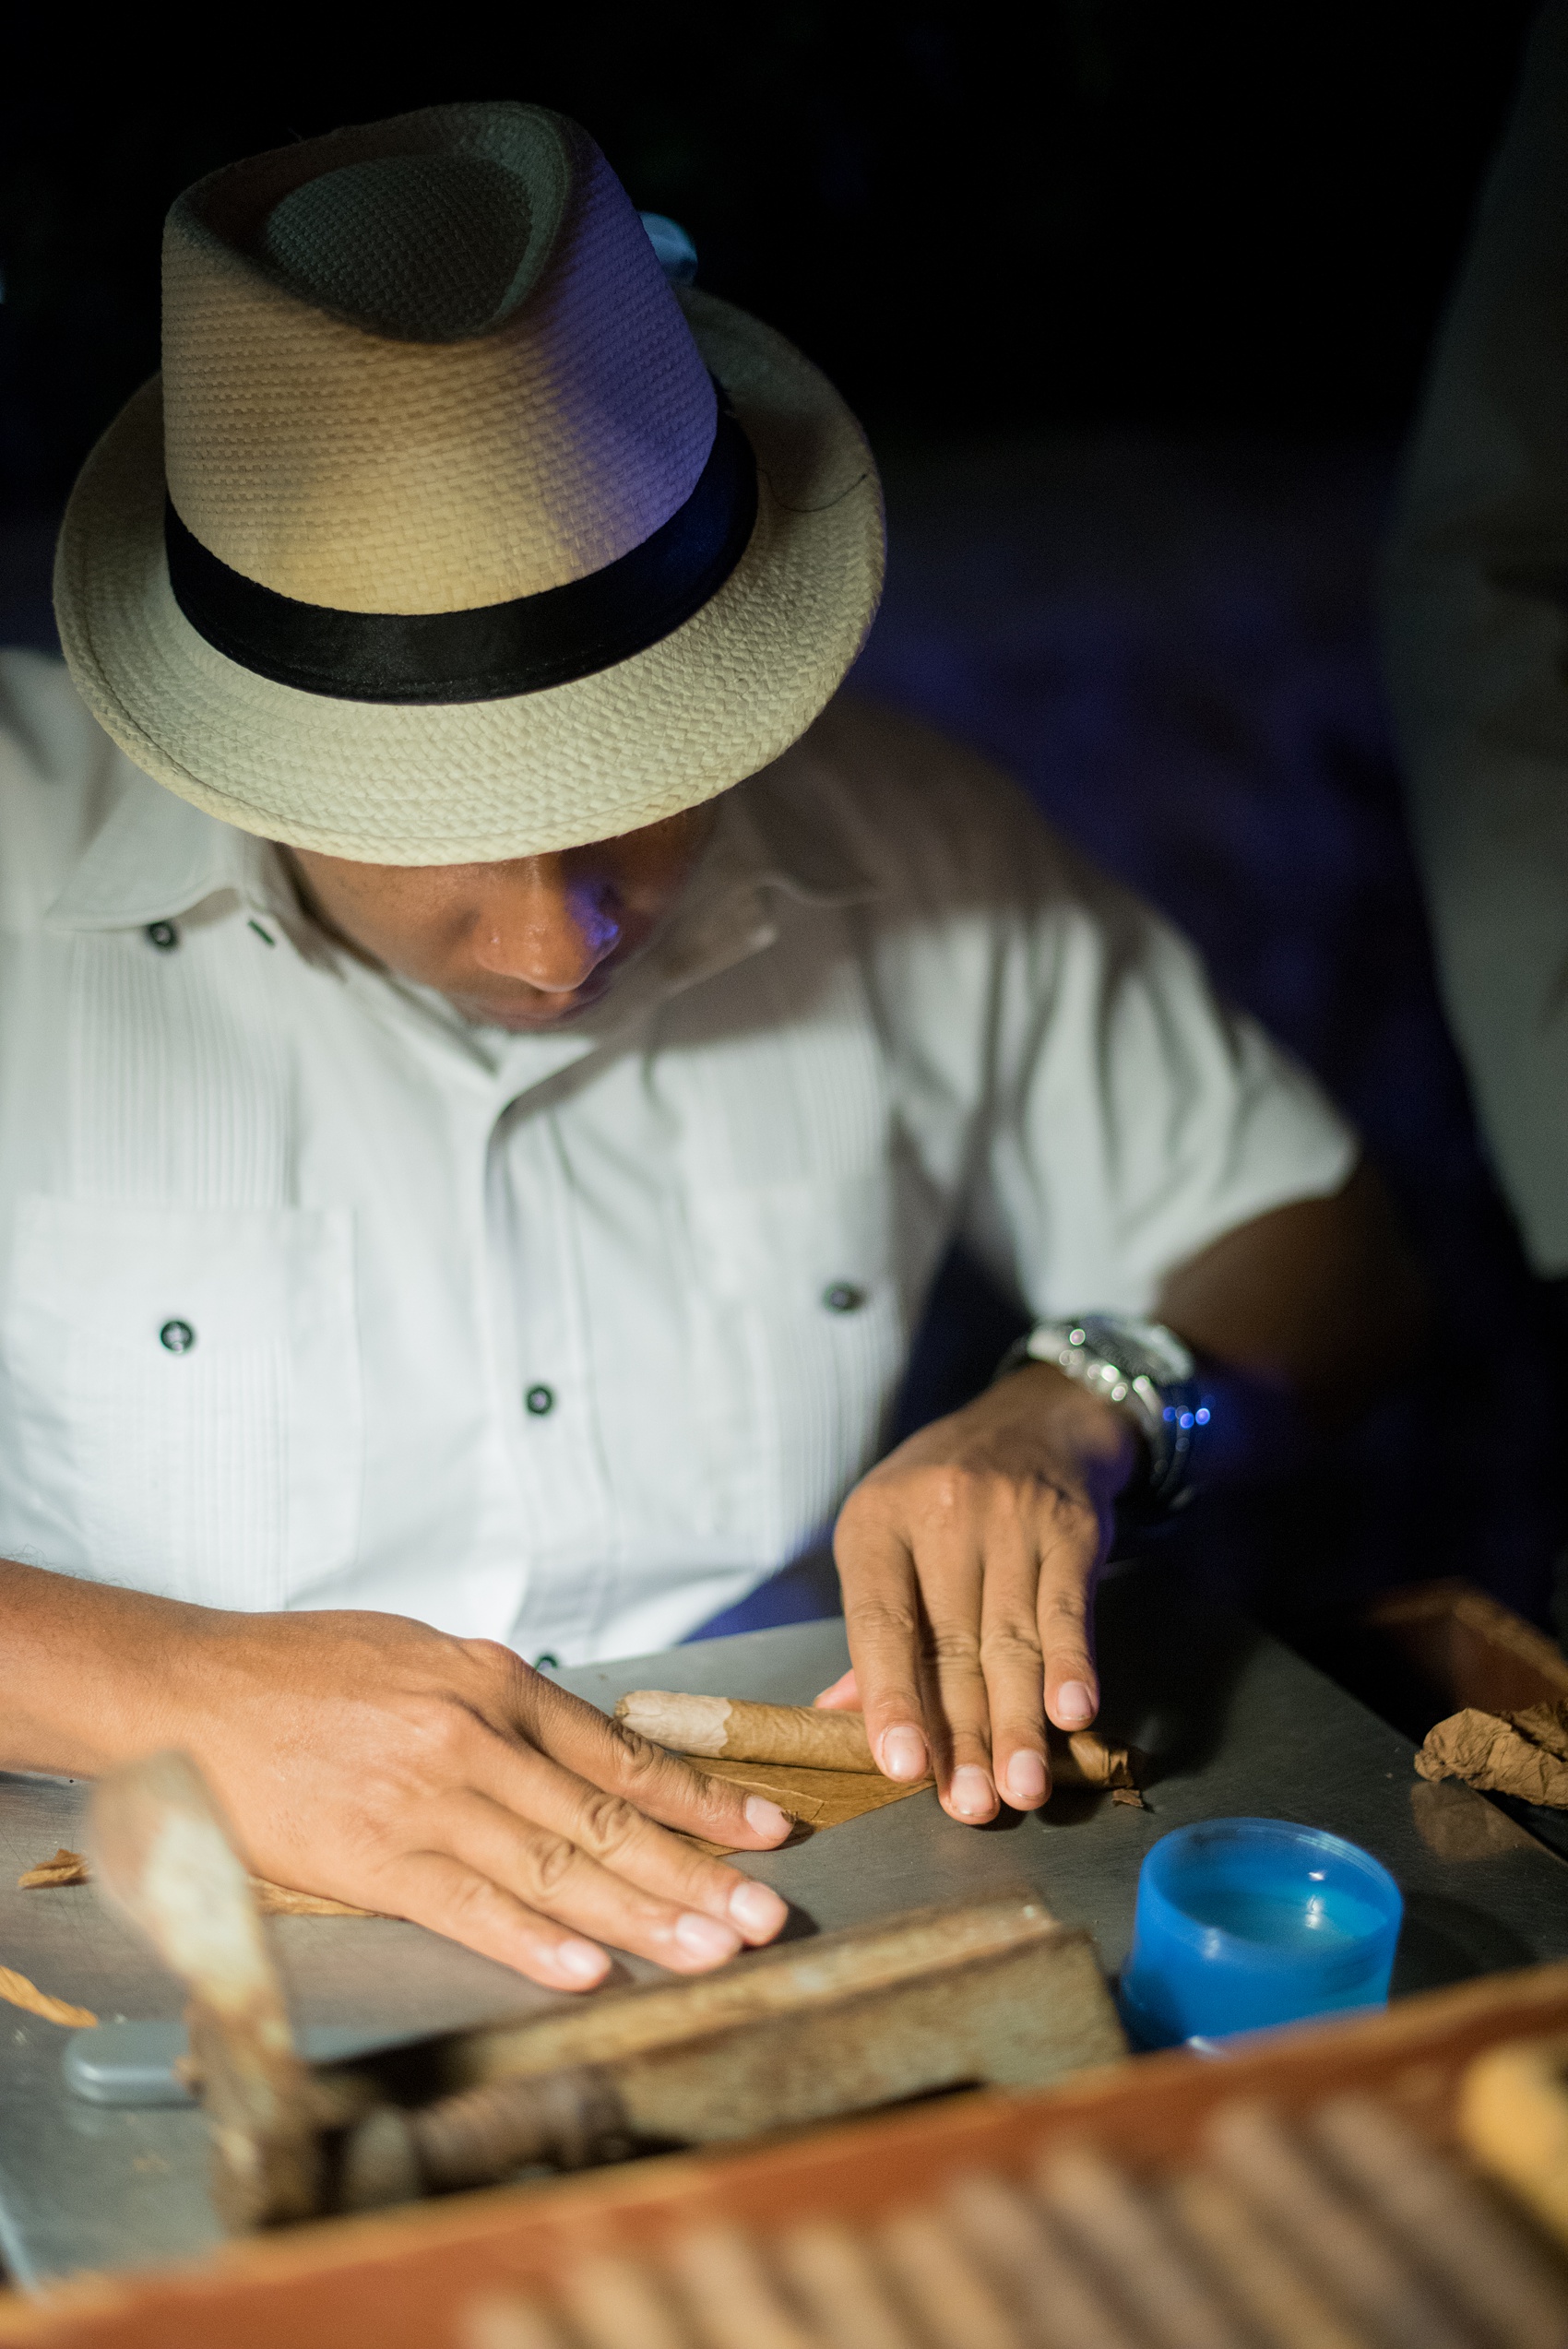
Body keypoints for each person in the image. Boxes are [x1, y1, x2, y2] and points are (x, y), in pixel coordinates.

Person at [0, 102, 1422, 1989]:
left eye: (629, 792)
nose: (552, 934)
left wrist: (1078, 1402)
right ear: (229, 727)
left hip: (806, 1879)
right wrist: (159, 1678)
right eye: (420, 821)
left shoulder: (912, 834)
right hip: (128, 1919)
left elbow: (1322, 1248)